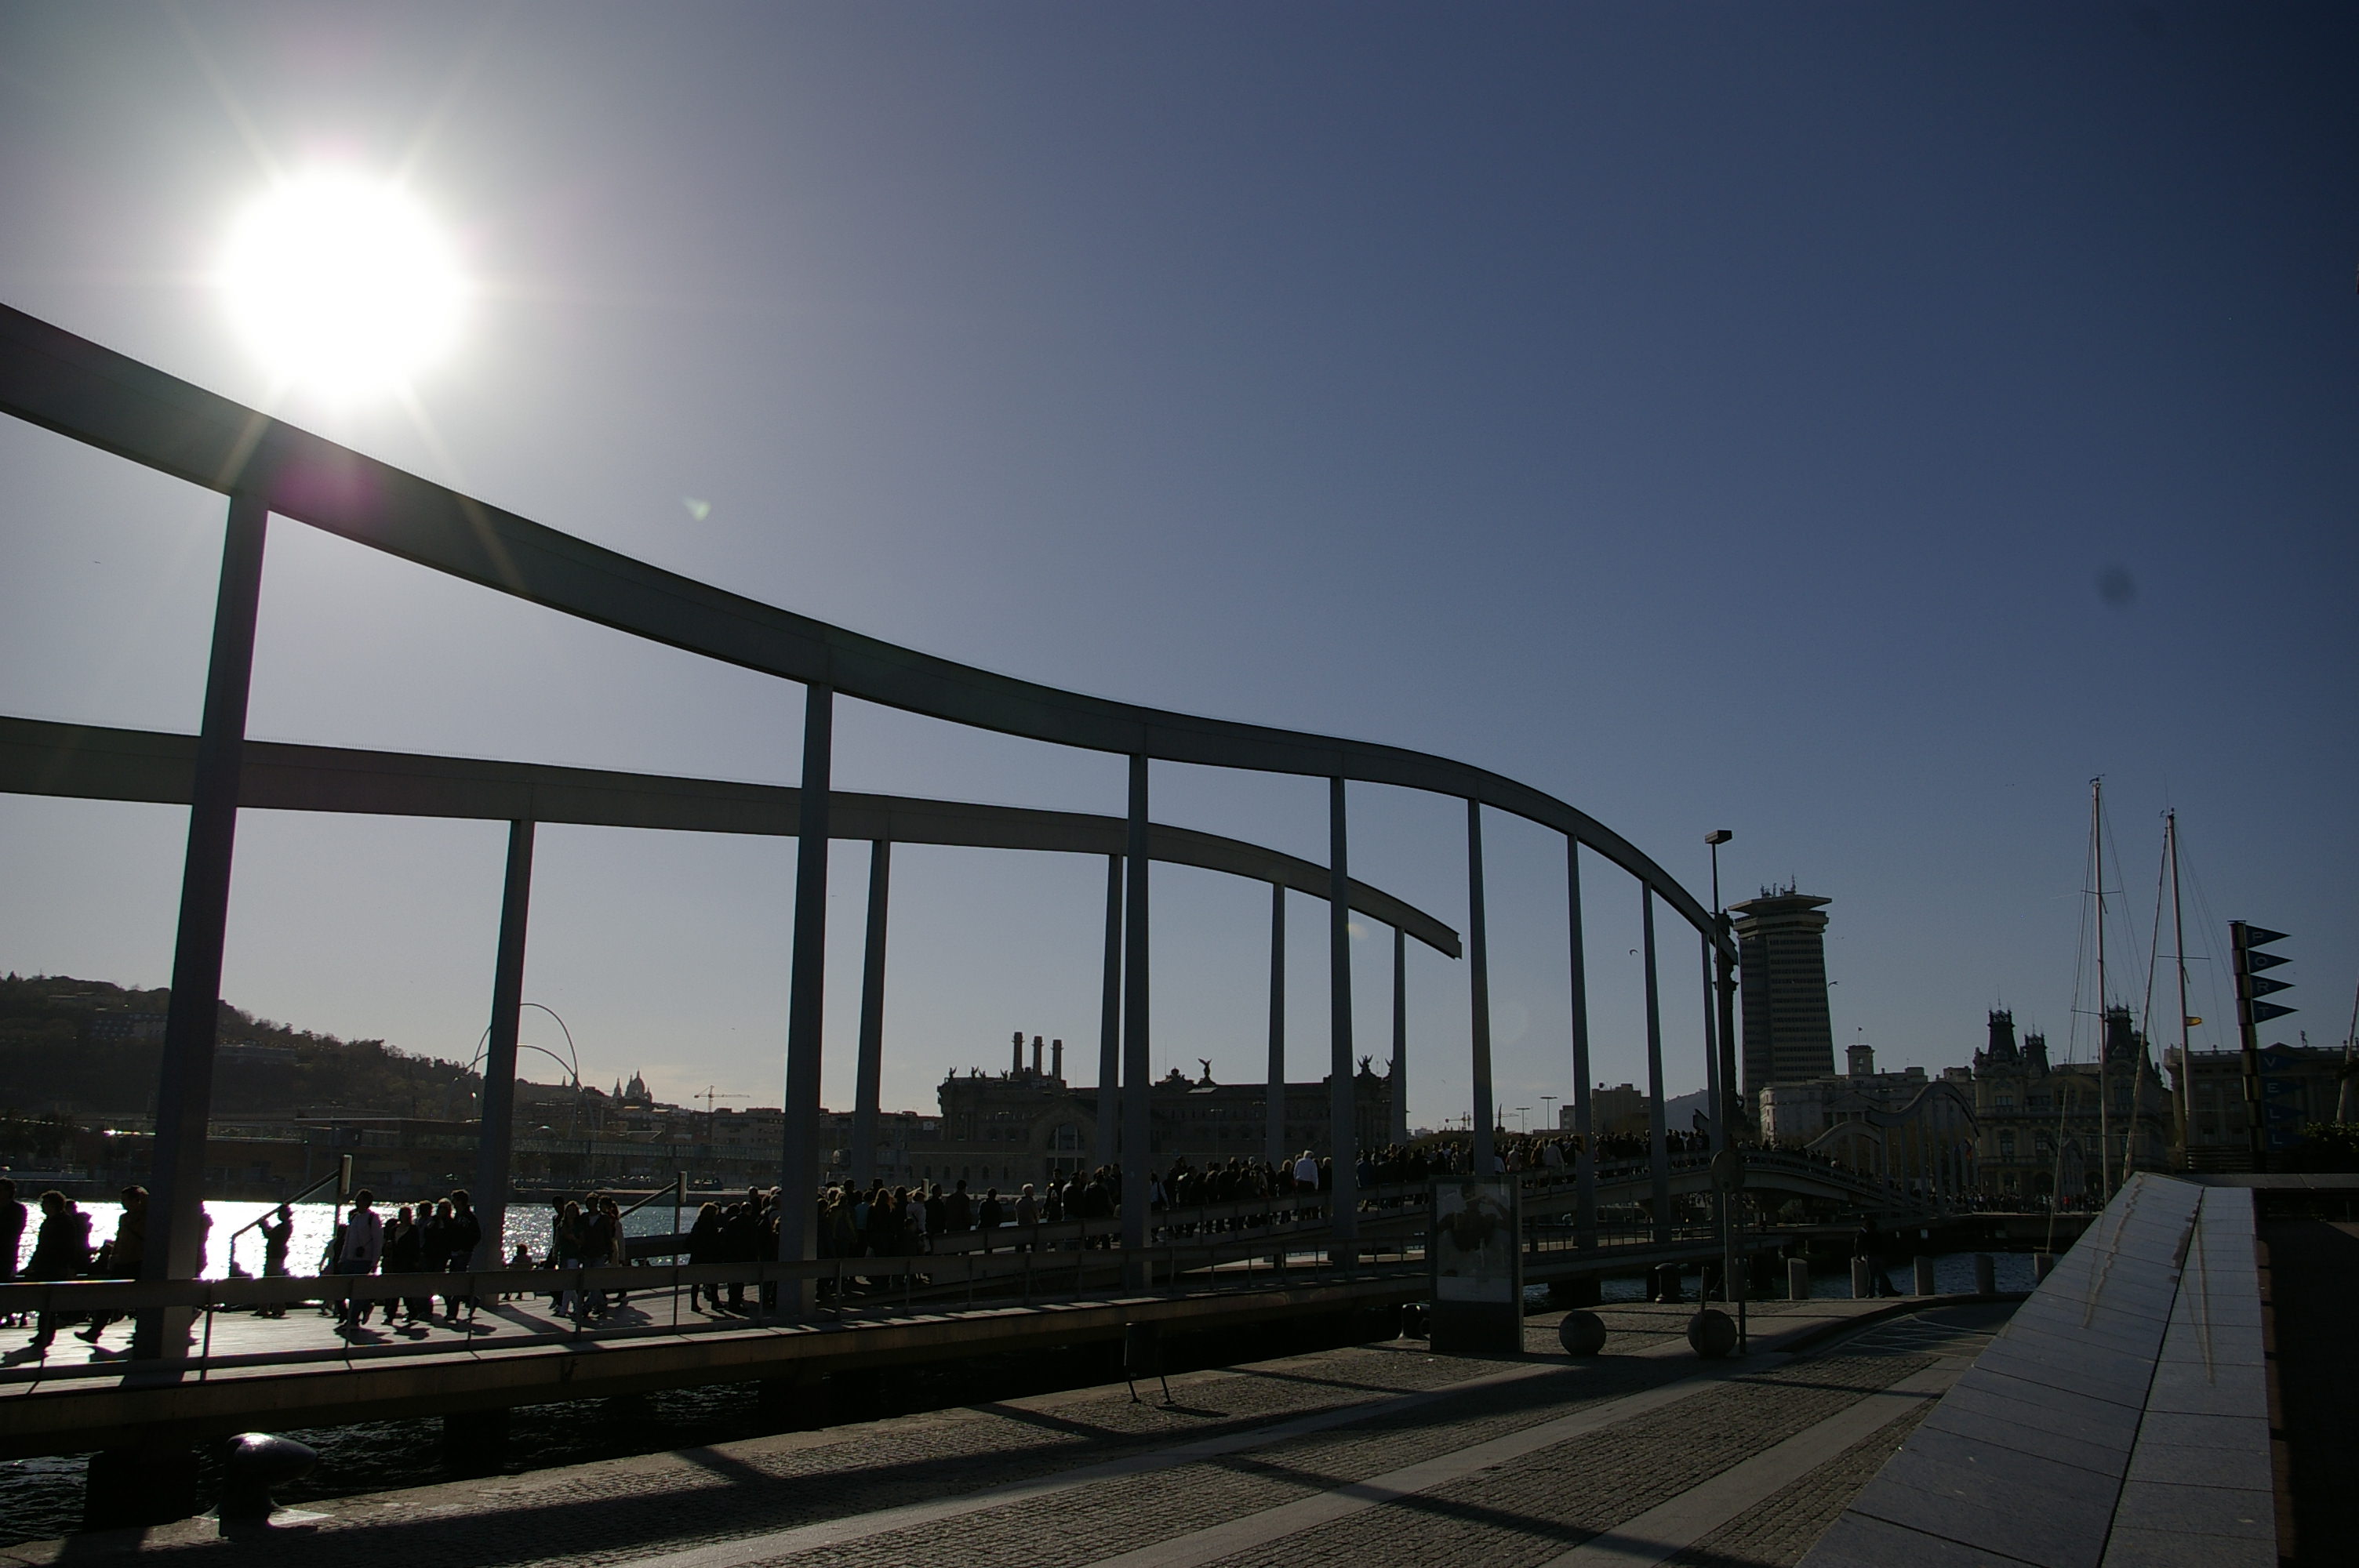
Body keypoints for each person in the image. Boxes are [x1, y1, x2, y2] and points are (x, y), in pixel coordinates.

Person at [75, 1185, 147, 1345]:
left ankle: (139, 1332)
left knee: (140, 1299)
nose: (123, 1203)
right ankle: (95, 1331)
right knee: (110, 1296)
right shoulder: (124, 1218)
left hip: (138, 1261)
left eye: (126, 1200)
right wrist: (114, 1256)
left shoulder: (146, 1218)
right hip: (123, 1261)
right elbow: (120, 1239)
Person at [22, 1192, 92, 1353]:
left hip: (53, 1265)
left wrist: (65, 1265)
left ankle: (45, 1333)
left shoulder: (61, 1222)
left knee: (47, 1301)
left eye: (45, 1204)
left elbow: (67, 1246)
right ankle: (44, 1332)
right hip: (47, 1264)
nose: (42, 1207)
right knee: (45, 1301)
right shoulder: (56, 1221)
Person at [334, 1190, 385, 1330]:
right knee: (345, 1289)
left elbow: (377, 1241)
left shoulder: (372, 1218)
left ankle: (353, 1319)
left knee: (358, 1290)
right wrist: (343, 1257)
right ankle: (363, 1307)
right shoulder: (355, 1218)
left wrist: (375, 1261)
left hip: (364, 1259)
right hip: (350, 1259)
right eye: (357, 1200)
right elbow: (348, 1240)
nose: (358, 1203)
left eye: (361, 1200)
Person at [442, 1189, 482, 1320]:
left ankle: (452, 1312)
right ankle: (471, 1299)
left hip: (463, 1253)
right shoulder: (457, 1216)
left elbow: (476, 1236)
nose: (452, 1202)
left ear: (459, 1201)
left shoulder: (469, 1218)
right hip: (455, 1253)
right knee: (453, 1281)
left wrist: (465, 1248)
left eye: (454, 1200)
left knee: (457, 1282)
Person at [256, 1204, 294, 1318]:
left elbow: (270, 1235)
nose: (278, 1215)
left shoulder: (284, 1227)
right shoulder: (285, 1226)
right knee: (273, 1281)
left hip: (275, 1255)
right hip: (276, 1255)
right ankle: (274, 1307)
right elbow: (271, 1234)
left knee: (270, 1281)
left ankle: (272, 1307)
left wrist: (264, 1226)